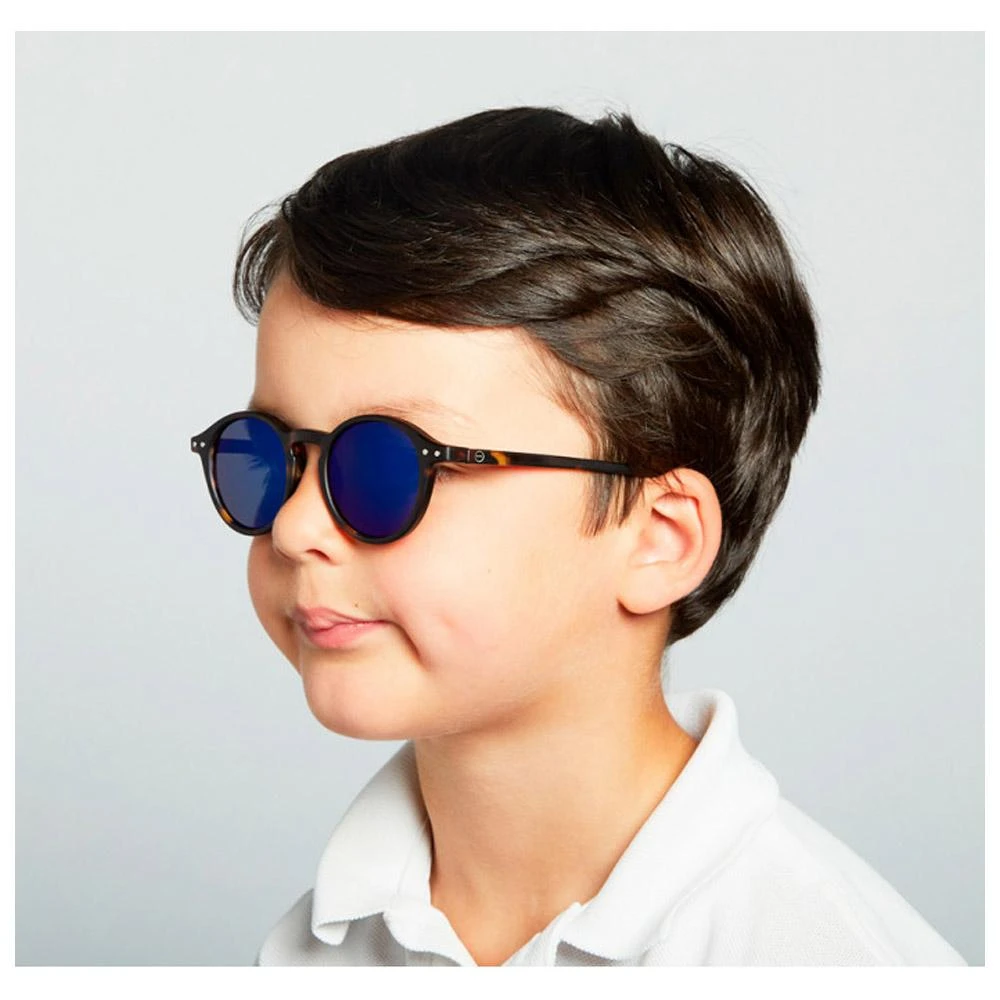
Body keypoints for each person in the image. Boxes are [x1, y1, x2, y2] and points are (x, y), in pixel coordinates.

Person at [191, 106, 966, 966]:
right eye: (269, 454)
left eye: (387, 467)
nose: (296, 526)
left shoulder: (815, 958)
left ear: (660, 537)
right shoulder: (316, 946)